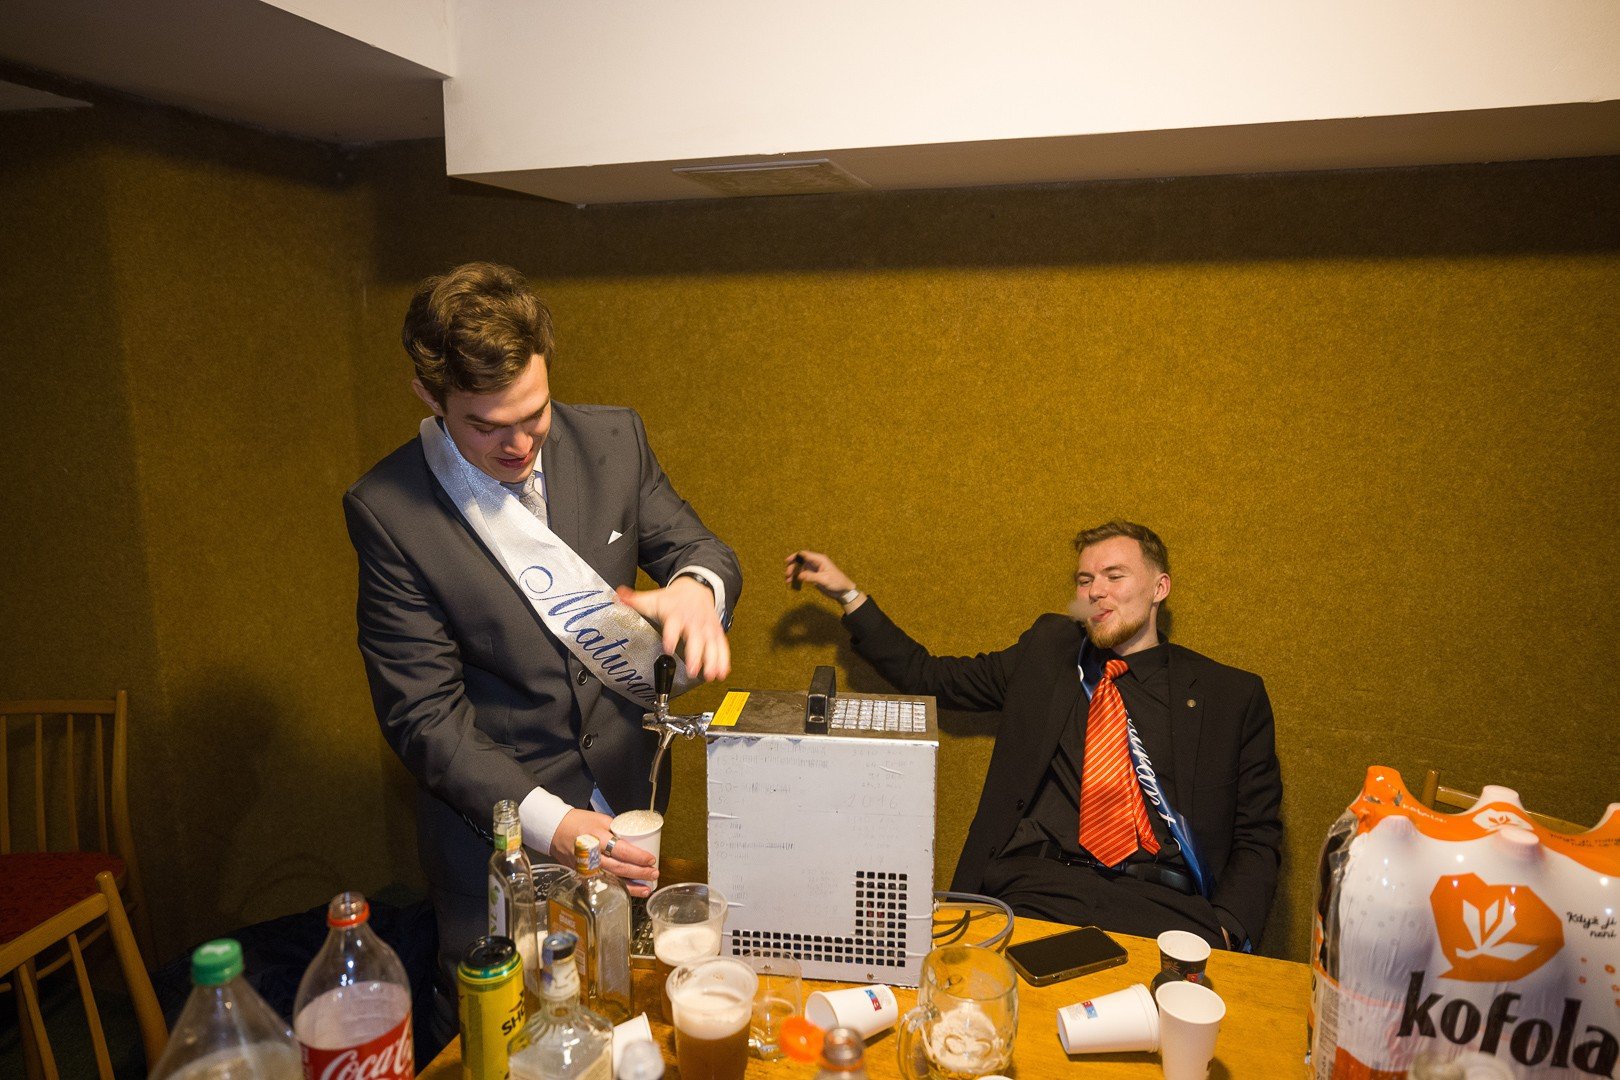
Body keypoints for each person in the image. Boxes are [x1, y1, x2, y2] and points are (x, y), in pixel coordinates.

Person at [345, 262, 741, 1031]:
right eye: (486, 426)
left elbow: (702, 549)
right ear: (429, 395)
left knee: (626, 1019)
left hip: (629, 812)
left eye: (534, 414)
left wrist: (697, 587)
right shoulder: (389, 510)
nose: (519, 444)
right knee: (515, 1043)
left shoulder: (614, 440)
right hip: (500, 845)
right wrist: (551, 822)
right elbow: (424, 718)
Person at [787, 522, 1281, 950]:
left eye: (1114, 576)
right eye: (1085, 580)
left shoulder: (1229, 696)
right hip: (1038, 890)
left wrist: (1227, 929)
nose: (1095, 591)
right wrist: (849, 595)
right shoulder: (1050, 653)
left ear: (1159, 587)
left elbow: (1257, 833)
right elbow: (929, 676)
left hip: (1163, 909)